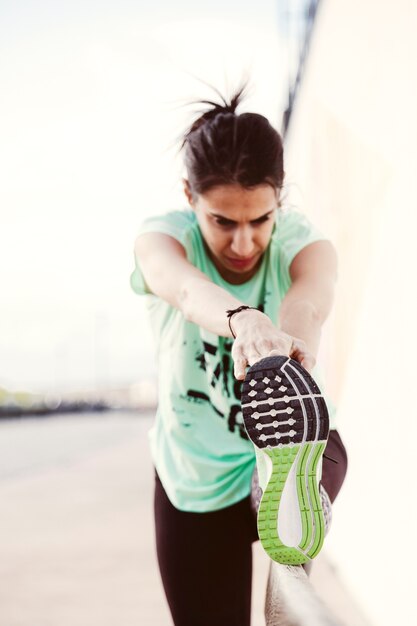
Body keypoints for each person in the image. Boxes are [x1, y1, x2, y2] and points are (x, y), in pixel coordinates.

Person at [130, 84, 347, 626]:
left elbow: (308, 304)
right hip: (194, 479)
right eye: (223, 222)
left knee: (313, 455)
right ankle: (286, 488)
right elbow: (181, 289)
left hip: (287, 460)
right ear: (189, 197)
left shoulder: (308, 244)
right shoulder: (163, 239)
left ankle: (289, 478)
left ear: (281, 201)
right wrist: (242, 319)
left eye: (261, 220)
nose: (245, 244)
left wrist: (288, 345)